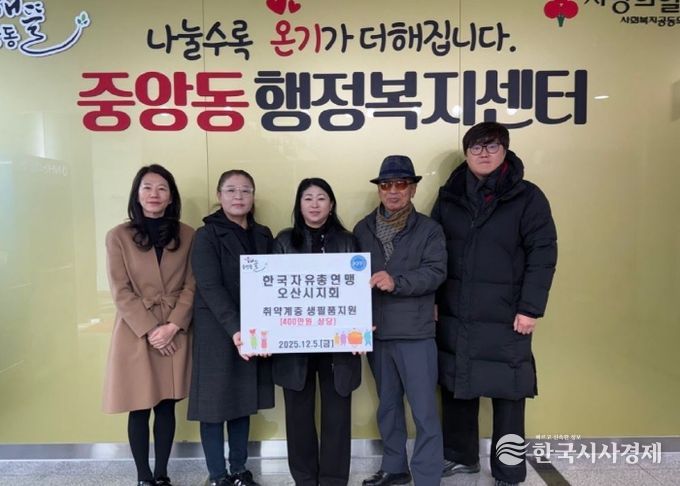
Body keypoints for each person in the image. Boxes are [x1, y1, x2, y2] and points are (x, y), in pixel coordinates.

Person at [432, 122, 557, 486]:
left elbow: (543, 254)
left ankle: (509, 469)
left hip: (507, 312)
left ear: (505, 150)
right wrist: (434, 301)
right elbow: (435, 252)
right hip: (456, 309)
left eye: (492, 146)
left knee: (509, 390)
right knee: (457, 383)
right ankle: (460, 457)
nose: (483, 154)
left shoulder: (527, 197)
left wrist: (530, 308)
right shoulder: (450, 196)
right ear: (466, 153)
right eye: (476, 147)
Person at [353, 156, 447, 486]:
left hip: (415, 334)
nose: (393, 191)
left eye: (401, 184)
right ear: (379, 190)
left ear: (413, 189)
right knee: (388, 407)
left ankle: (427, 477)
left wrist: (397, 282)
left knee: (424, 411)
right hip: (377, 333)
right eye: (386, 185)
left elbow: (436, 272)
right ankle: (394, 467)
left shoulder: (429, 229)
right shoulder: (362, 228)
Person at [103, 164, 195, 486]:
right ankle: (144, 476)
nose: (154, 194)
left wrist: (173, 325)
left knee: (167, 405)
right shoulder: (118, 236)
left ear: (171, 197)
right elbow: (120, 290)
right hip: (135, 331)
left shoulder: (188, 234)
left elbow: (192, 285)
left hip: (174, 329)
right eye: (147, 187)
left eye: (162, 188)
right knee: (139, 405)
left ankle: (162, 474)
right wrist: (152, 330)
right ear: (137, 194)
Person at [188, 170, 275, 486]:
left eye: (245, 190)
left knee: (241, 401)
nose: (238, 196)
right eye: (231, 190)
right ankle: (217, 475)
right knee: (213, 407)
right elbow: (210, 287)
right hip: (217, 330)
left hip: (253, 328)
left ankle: (239, 469)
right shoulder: (206, 235)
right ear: (219, 195)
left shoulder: (263, 234)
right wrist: (236, 330)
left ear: (253, 196)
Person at [272, 177, 362, 486]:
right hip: (294, 343)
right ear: (299, 205)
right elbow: (270, 295)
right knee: (298, 416)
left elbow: (358, 292)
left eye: (321, 198)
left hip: (339, 344)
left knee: (337, 414)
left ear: (331, 205)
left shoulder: (348, 241)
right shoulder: (283, 241)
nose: (314, 204)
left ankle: (334, 479)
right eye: (307, 198)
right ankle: (305, 478)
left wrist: (361, 328)